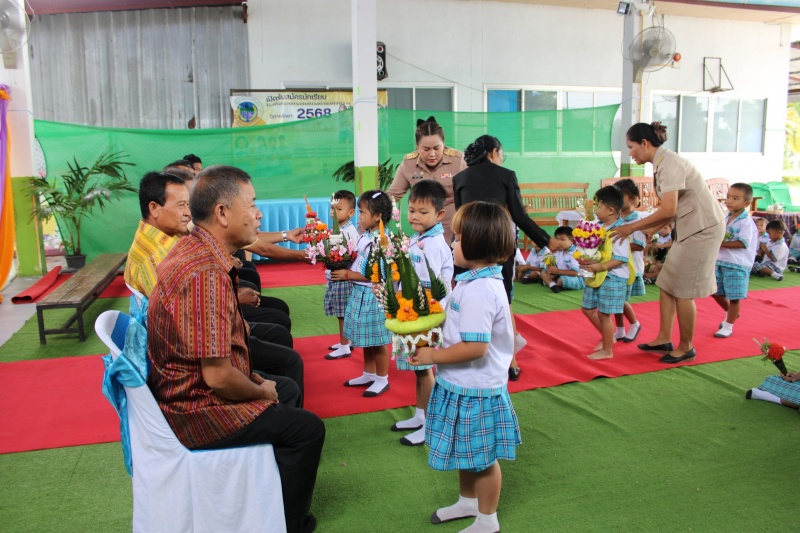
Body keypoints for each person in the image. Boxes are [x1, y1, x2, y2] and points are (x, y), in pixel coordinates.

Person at [147, 165, 324, 533]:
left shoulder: (197, 250)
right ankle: (288, 523)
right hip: (195, 410)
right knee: (307, 429)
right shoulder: (205, 272)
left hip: (186, 392)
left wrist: (257, 380)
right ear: (222, 213)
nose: (259, 214)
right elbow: (217, 377)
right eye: (252, 204)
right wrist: (260, 391)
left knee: (287, 387)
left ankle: (265, 491)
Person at [409, 201, 520, 533]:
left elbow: (475, 347)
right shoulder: (474, 280)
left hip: (476, 388)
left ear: (477, 243)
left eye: (457, 239)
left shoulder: (481, 290)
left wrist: (432, 357)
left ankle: (487, 519)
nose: (452, 244)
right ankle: (467, 501)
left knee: (482, 459)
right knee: (465, 449)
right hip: (462, 383)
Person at [612, 122, 725, 365]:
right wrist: (650, 231)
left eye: (631, 147)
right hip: (689, 227)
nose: (630, 153)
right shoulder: (661, 162)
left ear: (644, 143)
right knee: (666, 282)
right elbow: (675, 208)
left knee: (683, 289)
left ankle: (686, 346)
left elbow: (669, 209)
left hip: (703, 229)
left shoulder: (669, 163)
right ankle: (664, 338)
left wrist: (632, 227)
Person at [453, 135, 557, 381]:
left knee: (465, 295)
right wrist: (545, 240)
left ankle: (465, 352)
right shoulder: (506, 175)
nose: (501, 159)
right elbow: (519, 216)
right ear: (493, 152)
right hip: (498, 246)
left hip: (467, 247)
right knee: (504, 299)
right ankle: (511, 360)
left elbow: (460, 217)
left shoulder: (460, 178)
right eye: (501, 155)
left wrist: (457, 244)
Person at [392, 180, 454, 447]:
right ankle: (420, 415)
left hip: (426, 315)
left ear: (440, 214)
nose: (415, 216)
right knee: (418, 368)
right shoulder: (420, 239)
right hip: (415, 312)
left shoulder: (434, 244)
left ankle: (431, 425)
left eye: (423, 212)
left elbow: (429, 288)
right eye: (411, 210)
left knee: (425, 368)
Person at [331, 190, 393, 398]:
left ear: (377, 216)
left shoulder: (381, 240)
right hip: (361, 292)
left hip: (373, 295)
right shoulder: (367, 235)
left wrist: (347, 274)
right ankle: (369, 373)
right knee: (367, 337)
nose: (359, 217)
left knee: (377, 339)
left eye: (363, 212)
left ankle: (382, 378)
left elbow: (376, 274)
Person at [387, 117, 467, 242]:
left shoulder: (459, 160)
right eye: (426, 149)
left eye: (437, 148)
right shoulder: (409, 163)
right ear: (417, 147)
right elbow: (393, 194)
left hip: (455, 230)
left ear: (444, 144)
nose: (432, 154)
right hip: (424, 231)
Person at [579, 186, 632, 361]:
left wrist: (600, 267)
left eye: (598, 207)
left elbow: (621, 259)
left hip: (612, 276)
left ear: (610, 210)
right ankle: (609, 337)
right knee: (587, 309)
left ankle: (607, 349)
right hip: (597, 273)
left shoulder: (619, 231)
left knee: (604, 314)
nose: (596, 210)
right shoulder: (599, 226)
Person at [124, 172, 191, 298]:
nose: (188, 213)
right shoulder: (155, 260)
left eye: (188, 205)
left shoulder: (164, 233)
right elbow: (181, 307)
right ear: (154, 208)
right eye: (181, 205)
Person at [712, 183, 758, 339]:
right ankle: (730, 313)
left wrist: (719, 243)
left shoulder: (746, 222)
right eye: (728, 197)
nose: (729, 201)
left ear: (746, 203)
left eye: (735, 198)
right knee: (713, 290)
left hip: (737, 264)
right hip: (721, 261)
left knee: (734, 297)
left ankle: (728, 326)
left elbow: (743, 243)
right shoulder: (726, 217)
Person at [324, 190, 359, 360]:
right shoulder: (338, 229)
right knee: (341, 312)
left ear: (351, 212)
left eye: (339, 209)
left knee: (342, 313)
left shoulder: (348, 231)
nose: (333, 212)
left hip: (344, 277)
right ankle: (346, 342)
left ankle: (345, 346)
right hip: (338, 275)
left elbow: (351, 255)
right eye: (332, 208)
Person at [613, 179, 645, 343]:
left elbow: (639, 246)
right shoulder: (616, 219)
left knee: (620, 299)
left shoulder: (637, 221)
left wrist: (615, 246)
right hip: (615, 265)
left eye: (621, 197)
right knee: (615, 299)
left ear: (632, 199)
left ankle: (634, 324)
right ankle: (620, 330)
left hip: (630, 267)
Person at [540, 226, 584, 293]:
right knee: (543, 272)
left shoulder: (575, 252)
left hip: (576, 277)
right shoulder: (557, 250)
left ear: (572, 241)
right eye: (557, 239)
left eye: (562, 240)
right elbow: (551, 264)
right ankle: (553, 285)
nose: (559, 242)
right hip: (558, 274)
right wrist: (550, 272)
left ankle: (553, 283)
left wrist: (557, 271)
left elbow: (575, 272)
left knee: (562, 280)